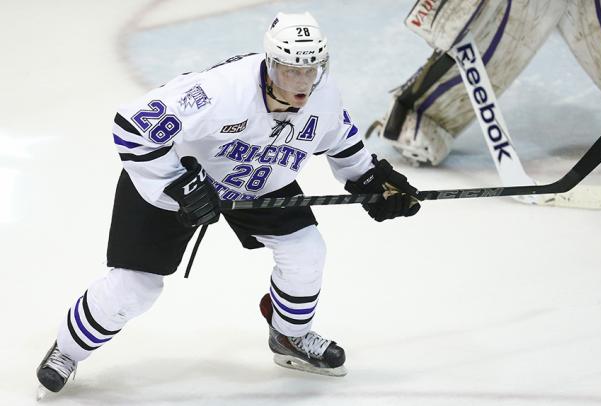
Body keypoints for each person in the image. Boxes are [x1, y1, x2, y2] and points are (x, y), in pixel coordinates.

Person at [36, 11, 420, 395]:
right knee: (136, 287)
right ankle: (67, 350)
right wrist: (178, 184)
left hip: (259, 179)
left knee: (306, 250)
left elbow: (343, 142)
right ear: (270, 64)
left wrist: (372, 179)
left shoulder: (324, 95)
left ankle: (289, 336)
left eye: (311, 70)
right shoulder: (218, 92)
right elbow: (132, 128)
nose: (302, 83)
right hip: (180, 181)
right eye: (290, 71)